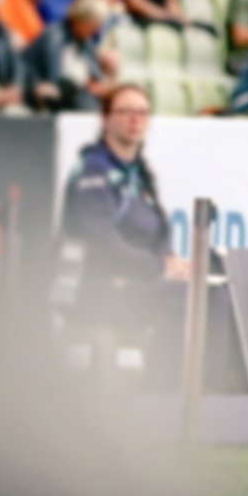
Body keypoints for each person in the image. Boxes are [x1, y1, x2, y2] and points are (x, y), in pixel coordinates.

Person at [57, 82, 189, 331]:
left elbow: (160, 232)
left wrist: (171, 263)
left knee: (208, 294)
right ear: (106, 119)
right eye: (126, 111)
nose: (135, 119)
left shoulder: (140, 172)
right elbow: (102, 243)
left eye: (142, 112)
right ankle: (169, 370)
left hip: (137, 282)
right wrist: (159, 268)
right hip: (98, 287)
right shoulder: (94, 170)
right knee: (183, 298)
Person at [24, 0, 120, 111]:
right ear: (81, 19)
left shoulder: (85, 42)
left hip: (73, 94)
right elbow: (54, 76)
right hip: (46, 91)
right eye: (93, 26)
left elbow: (94, 75)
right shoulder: (55, 36)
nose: (96, 32)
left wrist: (103, 78)